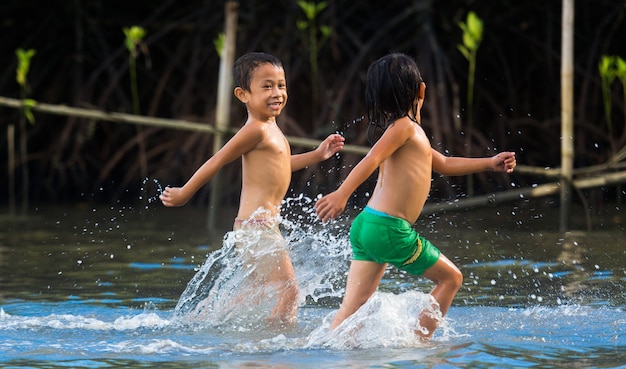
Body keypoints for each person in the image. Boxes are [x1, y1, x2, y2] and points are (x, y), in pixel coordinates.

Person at [315, 53, 516, 338]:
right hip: (388, 229)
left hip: (367, 226)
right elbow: (371, 159)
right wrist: (342, 194)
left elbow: (444, 163)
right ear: (422, 89)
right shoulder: (405, 128)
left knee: (352, 309)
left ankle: (330, 355)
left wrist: (489, 162)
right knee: (452, 279)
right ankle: (420, 345)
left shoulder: (406, 132)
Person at [161, 52, 345, 325]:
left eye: (281, 85)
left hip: (260, 226)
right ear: (243, 94)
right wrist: (185, 192)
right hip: (256, 227)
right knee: (289, 291)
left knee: (259, 291)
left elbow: (282, 164)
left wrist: (317, 155)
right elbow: (217, 160)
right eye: (267, 86)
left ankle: (202, 320)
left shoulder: (271, 129)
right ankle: (276, 350)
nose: (277, 93)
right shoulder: (255, 129)